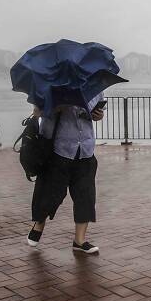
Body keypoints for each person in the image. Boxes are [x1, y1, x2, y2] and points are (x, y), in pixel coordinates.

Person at [26, 94, 105, 254]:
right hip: (57, 150)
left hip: (85, 149)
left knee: (85, 196)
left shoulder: (93, 86)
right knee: (50, 194)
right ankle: (39, 224)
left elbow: (99, 111)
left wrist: (99, 115)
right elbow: (36, 111)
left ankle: (79, 240)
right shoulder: (51, 85)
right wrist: (55, 108)